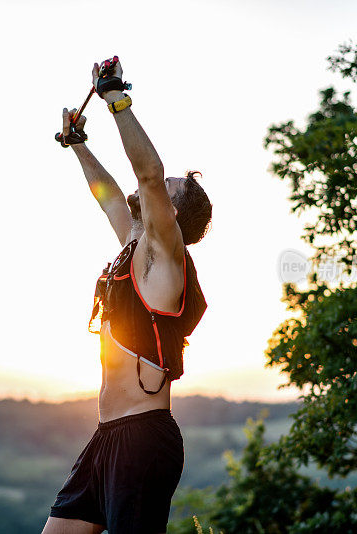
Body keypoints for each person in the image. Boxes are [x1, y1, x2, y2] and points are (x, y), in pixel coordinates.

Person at [42, 59, 212, 534]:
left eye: (162, 189)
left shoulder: (165, 256)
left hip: (142, 439)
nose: (145, 188)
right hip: (107, 437)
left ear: (171, 211)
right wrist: (78, 145)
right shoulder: (134, 248)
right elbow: (110, 197)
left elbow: (149, 174)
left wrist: (116, 98)